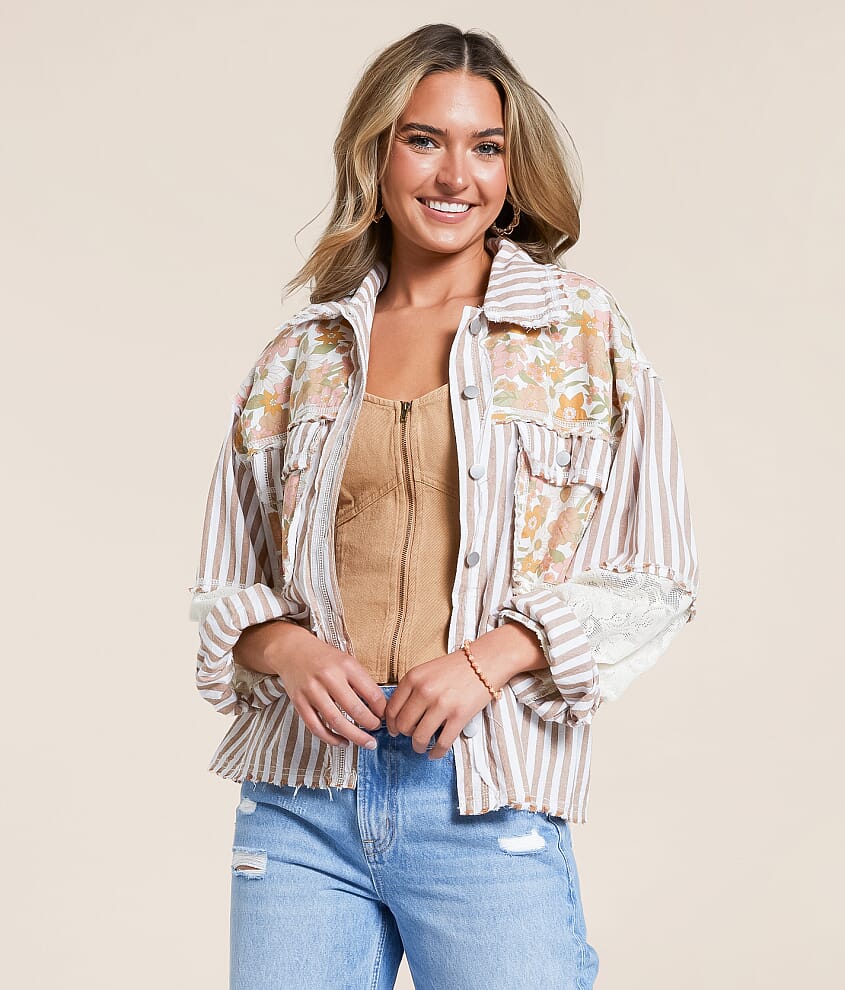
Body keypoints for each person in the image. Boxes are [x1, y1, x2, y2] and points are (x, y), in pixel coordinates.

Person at [189, 22, 699, 990]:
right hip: (301, 804)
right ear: (376, 154)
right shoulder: (301, 356)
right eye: (424, 140)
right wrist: (286, 649)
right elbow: (223, 586)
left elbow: (658, 576)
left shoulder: (578, 333)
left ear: (511, 170)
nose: (455, 175)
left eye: (485, 147)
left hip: (481, 798)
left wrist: (488, 658)